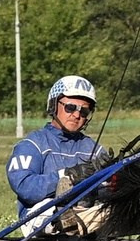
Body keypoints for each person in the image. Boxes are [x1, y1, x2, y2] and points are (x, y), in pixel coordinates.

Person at [8, 76, 108, 224]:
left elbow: (105, 192)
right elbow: (25, 188)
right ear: (54, 105)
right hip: (39, 219)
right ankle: (65, 217)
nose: (76, 115)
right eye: (70, 107)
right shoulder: (32, 144)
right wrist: (68, 175)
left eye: (84, 111)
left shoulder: (95, 150)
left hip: (87, 214)